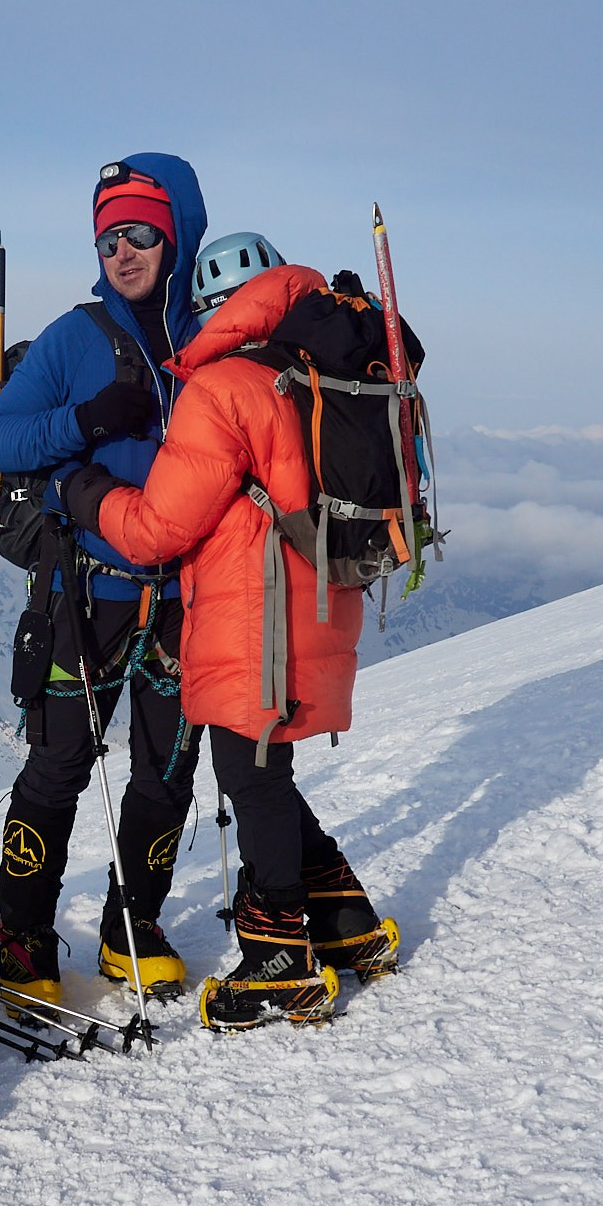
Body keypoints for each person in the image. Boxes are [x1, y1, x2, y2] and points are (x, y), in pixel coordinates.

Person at [63, 252, 403, 1029]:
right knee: (264, 771)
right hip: (321, 595)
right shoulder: (323, 373)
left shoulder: (224, 387)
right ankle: (346, 921)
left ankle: (279, 955)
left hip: (255, 613)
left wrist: (85, 492)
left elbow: (157, 529)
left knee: (249, 774)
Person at [0, 153, 210, 1007]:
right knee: (58, 766)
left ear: (178, 234)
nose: (123, 251)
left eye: (142, 232)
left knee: (168, 772)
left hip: (184, 597)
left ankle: (129, 927)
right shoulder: (76, 337)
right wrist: (83, 421)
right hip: (83, 594)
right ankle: (26, 942)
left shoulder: (211, 337)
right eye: (109, 236)